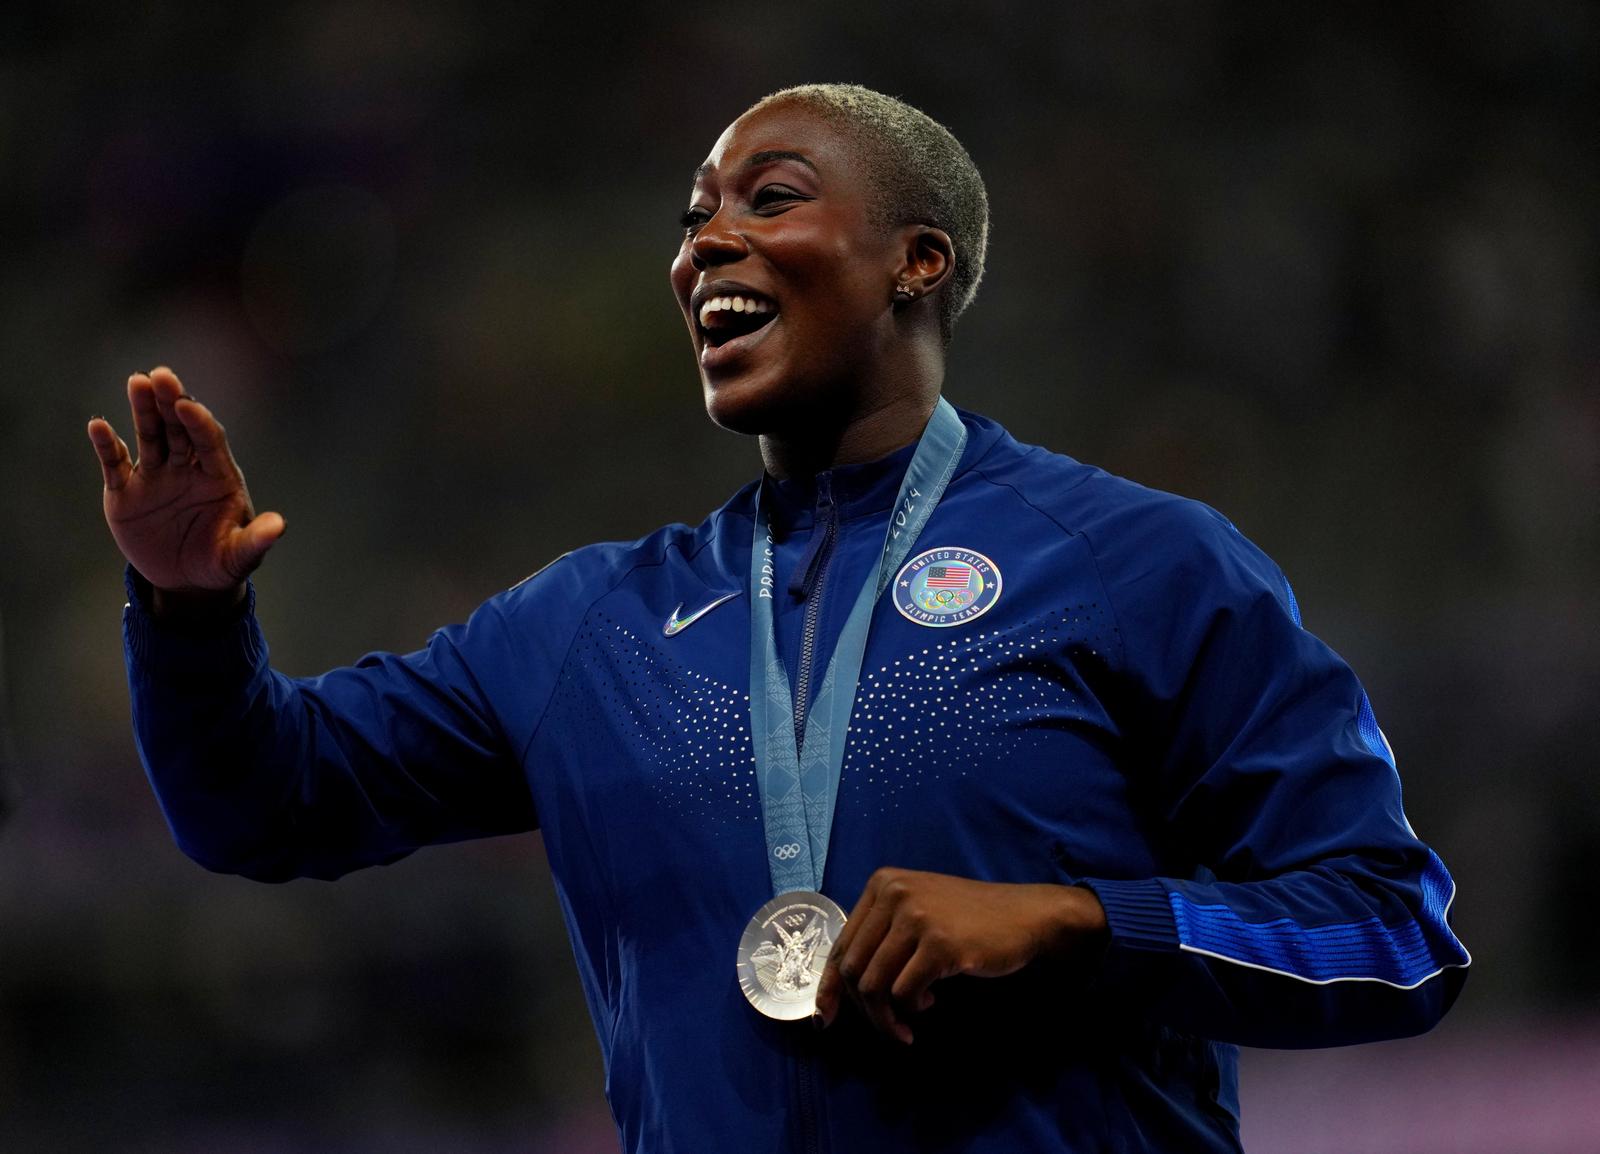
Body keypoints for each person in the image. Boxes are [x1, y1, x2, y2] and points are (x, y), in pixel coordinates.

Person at [88, 84, 1469, 1153]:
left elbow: (1391, 933)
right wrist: (190, 608)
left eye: (771, 195)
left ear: (916, 260)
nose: (706, 246)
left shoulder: (1144, 564)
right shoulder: (589, 623)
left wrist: (1077, 923)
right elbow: (265, 804)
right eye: (693, 218)